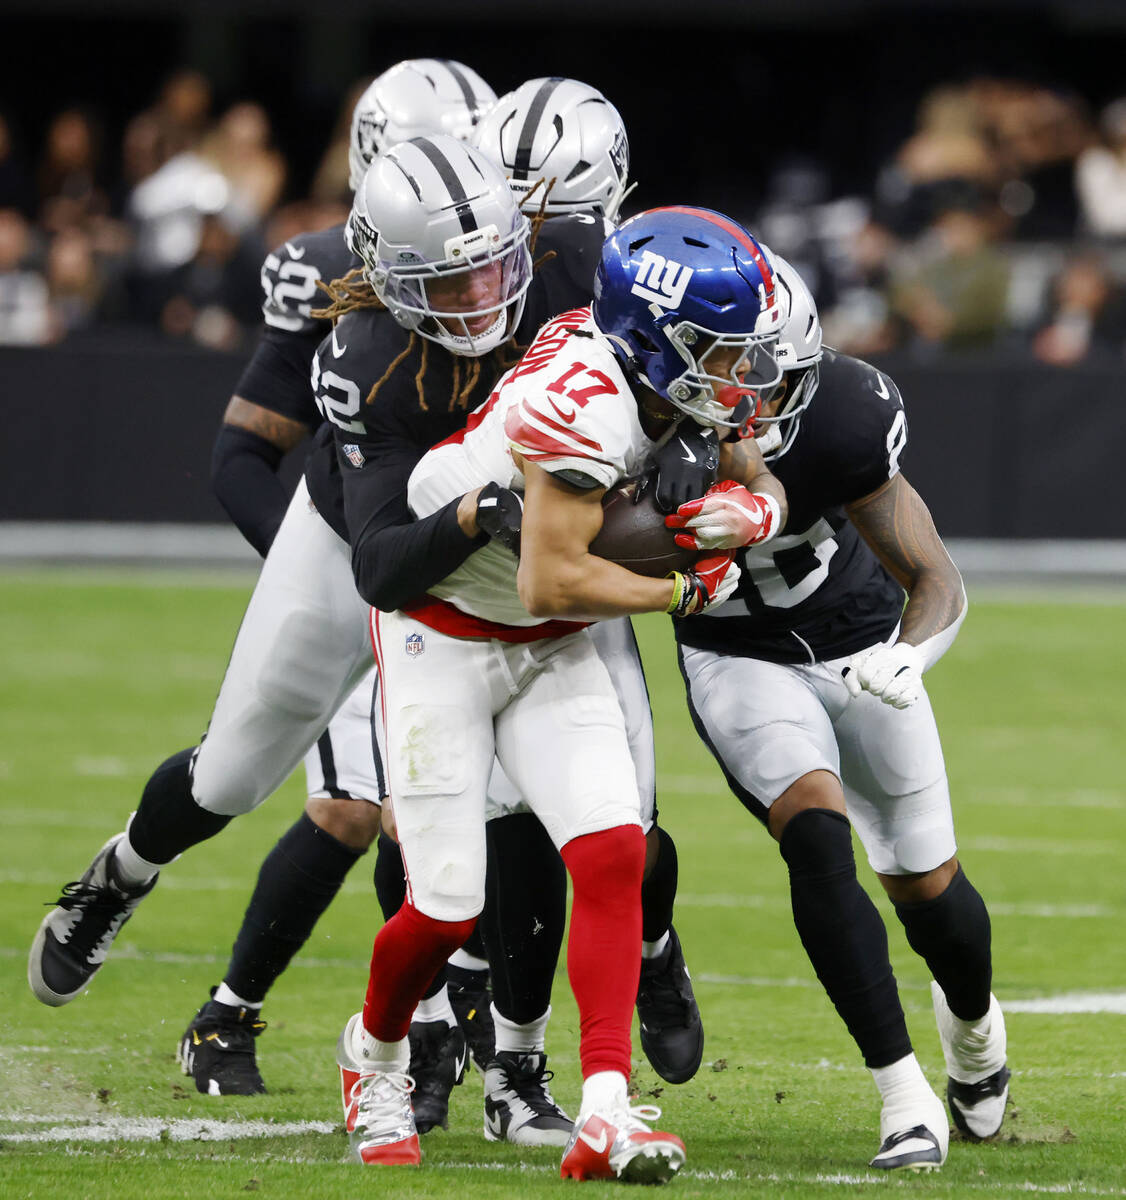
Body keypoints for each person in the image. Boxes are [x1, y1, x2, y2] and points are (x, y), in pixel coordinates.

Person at [26, 60, 497, 1116]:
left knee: (432, 801)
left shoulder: (533, 273)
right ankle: (124, 873)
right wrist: (320, 567)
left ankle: (454, 1041)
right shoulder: (328, 280)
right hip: (344, 546)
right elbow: (244, 456)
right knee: (232, 778)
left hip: (466, 568)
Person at [327, 193, 786, 1180]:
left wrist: (750, 503)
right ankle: (372, 1055)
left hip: (550, 642)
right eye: (718, 350)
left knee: (614, 851)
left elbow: (744, 457)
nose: (738, 373)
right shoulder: (585, 402)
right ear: (657, 340)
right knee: (448, 905)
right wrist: (677, 587)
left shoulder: (661, 375)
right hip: (444, 630)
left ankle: (606, 1109)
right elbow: (551, 574)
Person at [663, 256, 1009, 1171]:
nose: (749, 391)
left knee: (934, 901)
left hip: (859, 642)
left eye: (768, 370)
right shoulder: (644, 423)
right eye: (729, 364)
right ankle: (903, 1098)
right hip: (738, 657)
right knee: (815, 835)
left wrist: (908, 652)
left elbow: (933, 576)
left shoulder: (846, 414)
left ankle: (975, 1039)